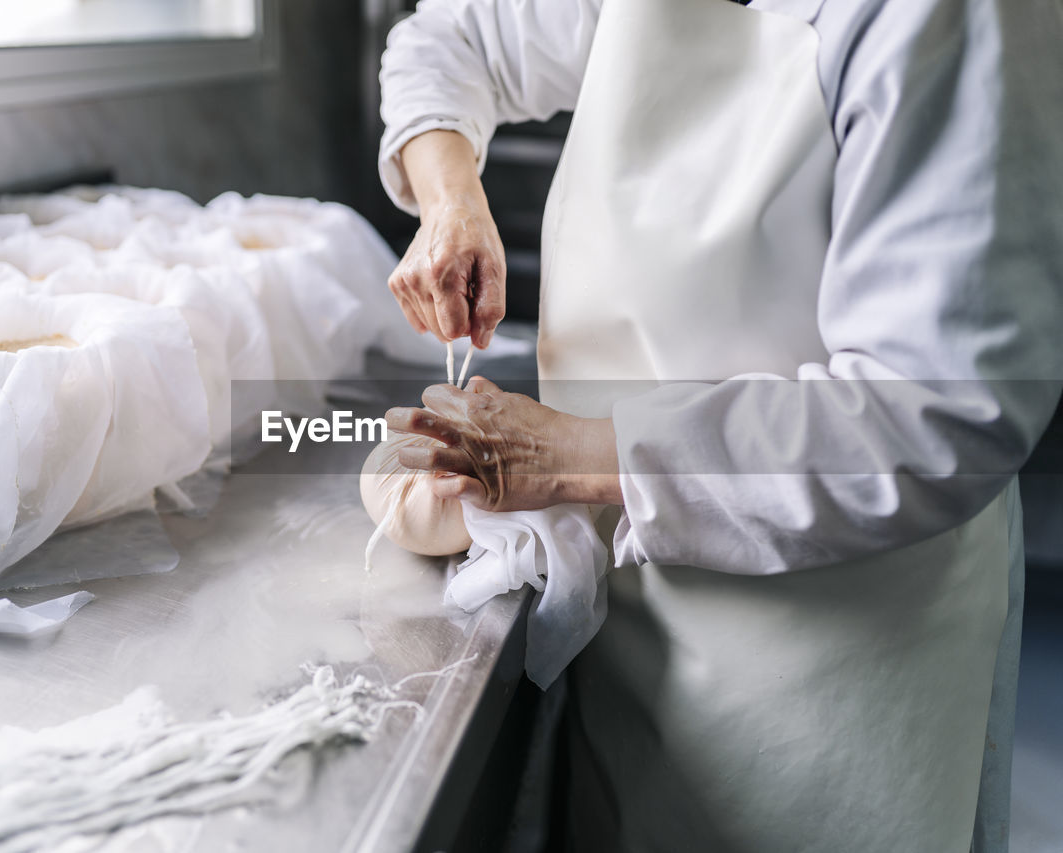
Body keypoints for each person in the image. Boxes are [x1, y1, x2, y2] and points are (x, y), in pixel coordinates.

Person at [376, 0, 1063, 850]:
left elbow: (937, 416)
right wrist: (450, 197)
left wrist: (568, 454)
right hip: (638, 614)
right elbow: (451, 38)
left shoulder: (953, 18)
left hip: (842, 663)